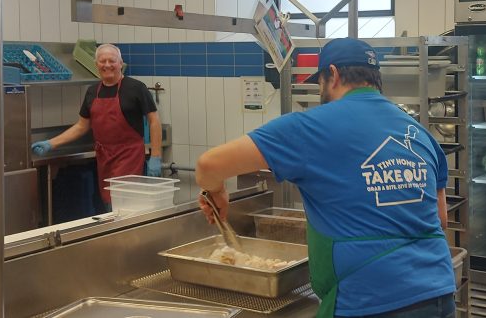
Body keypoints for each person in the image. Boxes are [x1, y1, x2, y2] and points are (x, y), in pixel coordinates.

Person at [195, 38, 456, 318]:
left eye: (319, 82)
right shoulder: (419, 134)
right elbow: (439, 220)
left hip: (368, 300)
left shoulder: (310, 126)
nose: (320, 91)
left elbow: (208, 165)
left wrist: (218, 192)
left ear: (332, 74)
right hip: (438, 294)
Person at [30, 43, 163, 205]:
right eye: (102, 61)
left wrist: (156, 156)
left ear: (120, 63)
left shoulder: (136, 88)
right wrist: (50, 143)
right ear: (96, 65)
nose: (107, 65)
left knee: (126, 203)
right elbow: (81, 126)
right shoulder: (92, 91)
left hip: (129, 156)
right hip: (104, 158)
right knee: (108, 203)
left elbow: (154, 121)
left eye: (112, 61)